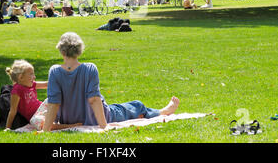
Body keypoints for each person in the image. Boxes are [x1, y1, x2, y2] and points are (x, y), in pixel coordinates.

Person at [42, 32, 180, 132]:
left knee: (128, 108)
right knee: (136, 106)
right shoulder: (89, 68)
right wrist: (103, 126)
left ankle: (160, 111)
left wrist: (46, 129)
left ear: (61, 51)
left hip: (71, 120)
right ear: (79, 50)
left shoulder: (54, 71)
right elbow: (94, 100)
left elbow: (54, 103)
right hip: (100, 116)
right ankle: (163, 111)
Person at [4, 60, 82, 131]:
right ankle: (70, 126)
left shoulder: (31, 84)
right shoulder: (16, 91)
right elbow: (13, 110)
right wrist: (7, 128)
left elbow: (47, 84)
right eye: (31, 74)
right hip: (35, 116)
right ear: (21, 77)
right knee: (41, 124)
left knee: (54, 97)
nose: (34, 77)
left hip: (42, 108)